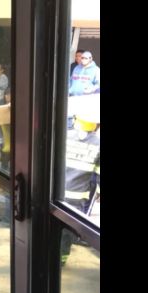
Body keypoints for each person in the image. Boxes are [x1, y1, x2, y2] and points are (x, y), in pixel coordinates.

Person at [60, 111, 100, 264]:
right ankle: (62, 259)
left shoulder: (65, 136)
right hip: (77, 196)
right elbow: (97, 174)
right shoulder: (97, 144)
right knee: (68, 227)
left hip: (56, 190)